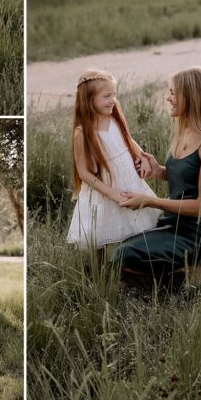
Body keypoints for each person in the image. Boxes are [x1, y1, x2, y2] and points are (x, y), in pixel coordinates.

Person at [111, 67, 201, 288]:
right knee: (119, 250)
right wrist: (158, 171)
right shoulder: (184, 129)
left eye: (173, 93)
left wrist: (149, 201)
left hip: (197, 233)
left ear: (191, 96)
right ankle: (181, 274)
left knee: (122, 255)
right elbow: (188, 178)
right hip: (174, 222)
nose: (168, 97)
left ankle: (198, 268)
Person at [66, 69, 159, 264]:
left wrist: (140, 156)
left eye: (114, 94)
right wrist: (111, 193)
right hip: (103, 189)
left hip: (127, 181)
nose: (112, 100)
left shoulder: (114, 117)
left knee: (135, 223)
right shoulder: (81, 132)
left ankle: (131, 265)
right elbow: (83, 172)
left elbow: (128, 140)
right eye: (107, 96)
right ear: (89, 100)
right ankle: (99, 276)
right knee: (100, 232)